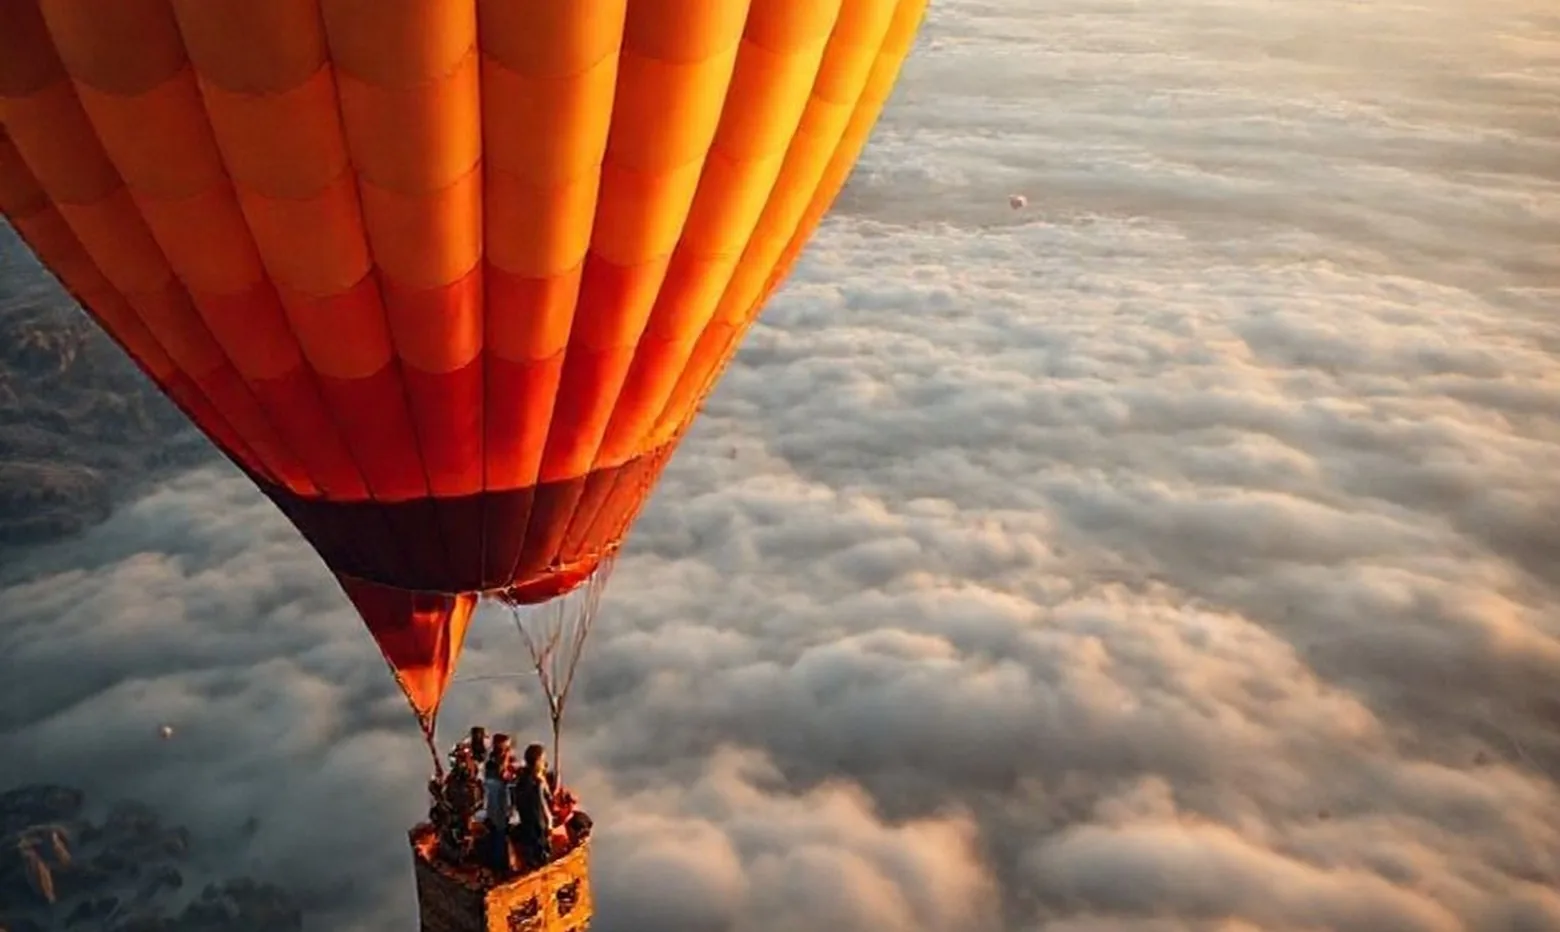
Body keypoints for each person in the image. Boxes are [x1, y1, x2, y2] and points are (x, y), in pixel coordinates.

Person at [511, 743, 554, 871]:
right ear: (537, 762)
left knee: (531, 846)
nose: (545, 764)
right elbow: (542, 806)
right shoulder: (535, 784)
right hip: (536, 824)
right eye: (542, 761)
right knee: (540, 851)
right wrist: (549, 824)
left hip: (526, 821)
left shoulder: (522, 779)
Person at [482, 735, 516, 876]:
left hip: (498, 807)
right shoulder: (494, 766)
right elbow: (504, 778)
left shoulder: (493, 765)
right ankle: (499, 865)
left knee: (499, 833)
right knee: (499, 835)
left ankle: (499, 862)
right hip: (499, 807)